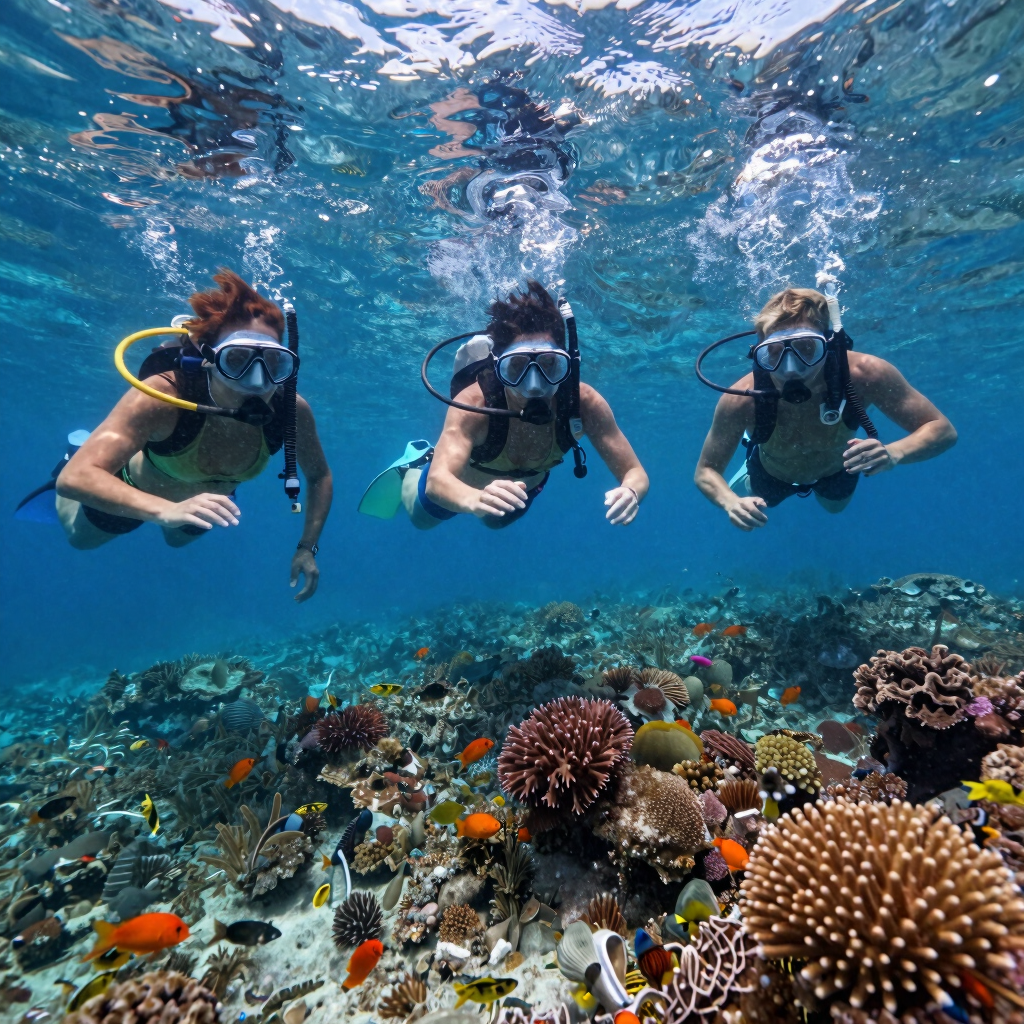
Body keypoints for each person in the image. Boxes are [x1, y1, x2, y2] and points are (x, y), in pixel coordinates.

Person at [54, 269, 333, 601]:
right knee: (79, 538)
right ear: (209, 359)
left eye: (274, 363)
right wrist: (163, 510)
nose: (257, 381)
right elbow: (76, 478)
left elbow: (319, 475)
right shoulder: (163, 396)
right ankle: (80, 447)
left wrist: (308, 547)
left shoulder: (292, 410)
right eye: (238, 360)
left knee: (176, 541)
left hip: (206, 505)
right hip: (133, 488)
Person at [694, 287, 956, 531]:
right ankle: (749, 464)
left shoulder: (866, 374)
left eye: (807, 349)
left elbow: (942, 430)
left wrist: (893, 452)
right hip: (771, 473)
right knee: (762, 500)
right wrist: (730, 501)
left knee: (835, 509)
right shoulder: (741, 399)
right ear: (758, 352)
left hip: (837, 469)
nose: (790, 369)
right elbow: (706, 470)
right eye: (773, 353)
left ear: (829, 344)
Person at [401, 280, 648, 529]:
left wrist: (631, 492)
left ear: (567, 364)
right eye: (516, 367)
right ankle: (415, 464)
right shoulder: (473, 404)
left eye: (549, 364)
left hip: (525, 487)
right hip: (461, 489)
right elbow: (437, 482)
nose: (533, 386)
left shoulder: (583, 403)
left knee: (496, 523)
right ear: (499, 368)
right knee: (421, 520)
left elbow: (635, 472)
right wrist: (475, 499)